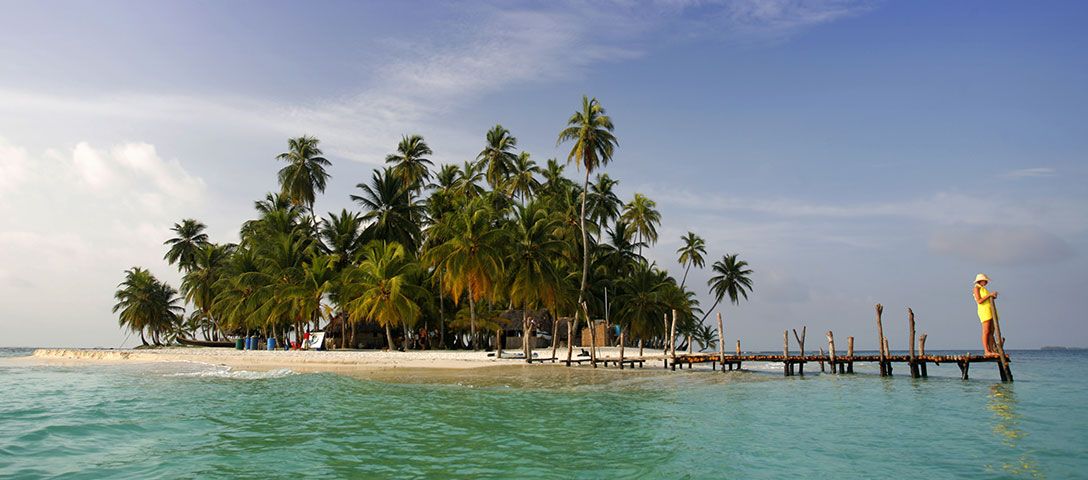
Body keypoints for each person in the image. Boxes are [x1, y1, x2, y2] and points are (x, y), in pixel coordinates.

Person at [973, 273, 999, 356]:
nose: (987, 282)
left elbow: (987, 298)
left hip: (990, 310)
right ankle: (986, 351)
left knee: (992, 331)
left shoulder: (984, 289)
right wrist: (989, 295)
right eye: (985, 281)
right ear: (980, 281)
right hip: (984, 311)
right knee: (986, 331)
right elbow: (979, 301)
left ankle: (991, 350)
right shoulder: (976, 288)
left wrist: (992, 296)